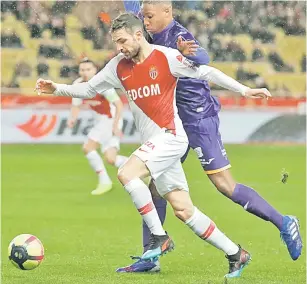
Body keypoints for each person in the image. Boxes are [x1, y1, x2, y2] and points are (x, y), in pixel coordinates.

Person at [34, 13, 274, 278]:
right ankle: (236, 254)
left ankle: (159, 237)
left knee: (126, 172)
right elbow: (89, 89)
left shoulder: (165, 57)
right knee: (183, 210)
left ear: (138, 35)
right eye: (115, 42)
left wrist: (243, 90)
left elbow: (205, 72)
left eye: (122, 41)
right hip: (155, 145)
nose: (119, 48)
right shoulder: (118, 66)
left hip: (171, 137)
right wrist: (56, 88)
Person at [117, 0, 302, 273]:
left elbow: (203, 59)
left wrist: (186, 53)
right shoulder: (146, 32)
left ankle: (284, 222)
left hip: (199, 118)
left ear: (168, 12)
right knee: (155, 184)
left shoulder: (179, 35)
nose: (145, 22)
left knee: (224, 185)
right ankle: (150, 255)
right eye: (143, 17)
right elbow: (131, 8)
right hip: (173, 123)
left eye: (149, 17)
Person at [67, 58, 128, 195]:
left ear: (95, 70)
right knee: (111, 158)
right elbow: (76, 105)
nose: (85, 72)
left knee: (88, 148)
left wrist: (116, 126)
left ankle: (105, 181)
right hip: (102, 120)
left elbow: (119, 105)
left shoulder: (102, 84)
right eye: (82, 69)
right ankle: (142, 167)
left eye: (88, 69)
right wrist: (73, 118)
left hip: (110, 119)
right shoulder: (77, 85)